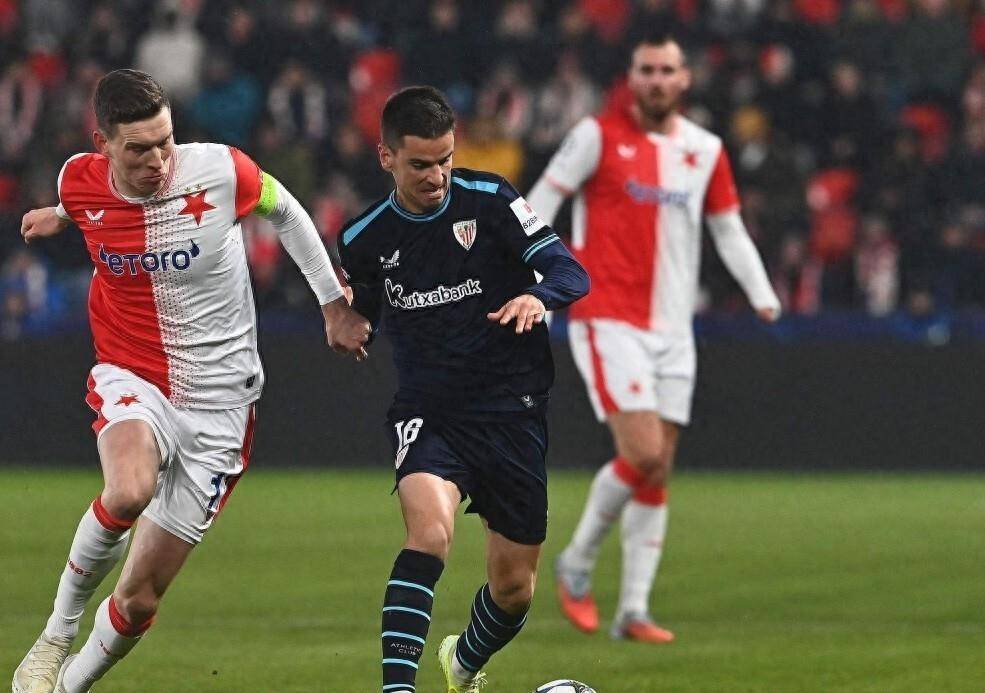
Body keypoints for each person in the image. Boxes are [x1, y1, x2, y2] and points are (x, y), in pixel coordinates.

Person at [12, 69, 369, 693]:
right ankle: (53, 639)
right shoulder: (77, 179)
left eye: (165, 142)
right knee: (128, 491)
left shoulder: (221, 171)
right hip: (133, 371)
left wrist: (332, 303)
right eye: (138, 150)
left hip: (223, 404)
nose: (157, 161)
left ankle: (69, 687)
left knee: (139, 599)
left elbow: (286, 212)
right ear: (103, 144)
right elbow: (90, 199)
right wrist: (64, 214)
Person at [527, 34, 781, 643]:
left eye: (668, 69)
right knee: (641, 451)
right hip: (606, 315)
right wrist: (536, 281)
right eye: (647, 70)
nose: (658, 80)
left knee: (658, 467)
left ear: (685, 79)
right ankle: (577, 561)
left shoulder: (705, 149)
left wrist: (762, 291)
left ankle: (633, 611)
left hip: (674, 326)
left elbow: (729, 230)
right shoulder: (594, 136)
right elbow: (539, 202)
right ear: (632, 77)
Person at [337, 86, 588, 693]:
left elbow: (570, 271)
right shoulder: (363, 237)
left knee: (514, 589)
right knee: (429, 535)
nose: (437, 176)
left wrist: (537, 297)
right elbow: (365, 304)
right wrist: (347, 316)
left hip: (512, 410)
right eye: (421, 164)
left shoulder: (492, 199)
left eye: (445, 159)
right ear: (387, 158)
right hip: (431, 412)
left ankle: (464, 663)